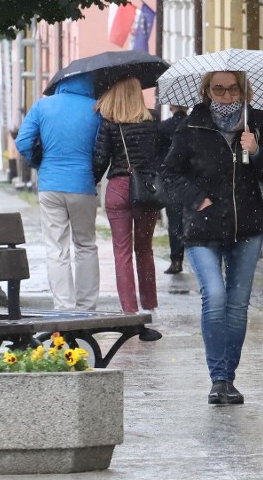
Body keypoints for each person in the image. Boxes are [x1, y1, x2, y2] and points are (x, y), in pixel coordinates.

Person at [162, 71, 263, 405]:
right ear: (206, 91)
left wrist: (255, 150)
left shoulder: (254, 121)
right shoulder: (192, 126)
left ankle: (228, 378)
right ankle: (217, 378)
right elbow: (169, 173)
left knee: (237, 305)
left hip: (247, 226)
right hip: (203, 226)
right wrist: (199, 200)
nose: (226, 96)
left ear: (243, 90)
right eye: (219, 89)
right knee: (214, 296)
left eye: (233, 89)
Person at [15, 76, 101, 311]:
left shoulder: (43, 105)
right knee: (85, 244)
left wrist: (40, 163)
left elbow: (23, 142)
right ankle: (87, 305)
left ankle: (64, 306)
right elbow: (100, 148)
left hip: (50, 184)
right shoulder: (96, 107)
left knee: (56, 248)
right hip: (82, 183)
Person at [93, 77, 167, 315]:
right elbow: (161, 155)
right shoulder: (153, 119)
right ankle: (150, 304)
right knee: (144, 249)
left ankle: (129, 309)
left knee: (121, 252)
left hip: (118, 187)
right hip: (145, 189)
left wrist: (91, 181)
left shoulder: (109, 123)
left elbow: (100, 160)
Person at [156, 105, 188, 274]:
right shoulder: (193, 125)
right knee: (193, 220)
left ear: (171, 106)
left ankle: (176, 260)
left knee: (175, 222)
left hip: (171, 182)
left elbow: (157, 155)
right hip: (191, 180)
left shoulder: (163, 128)